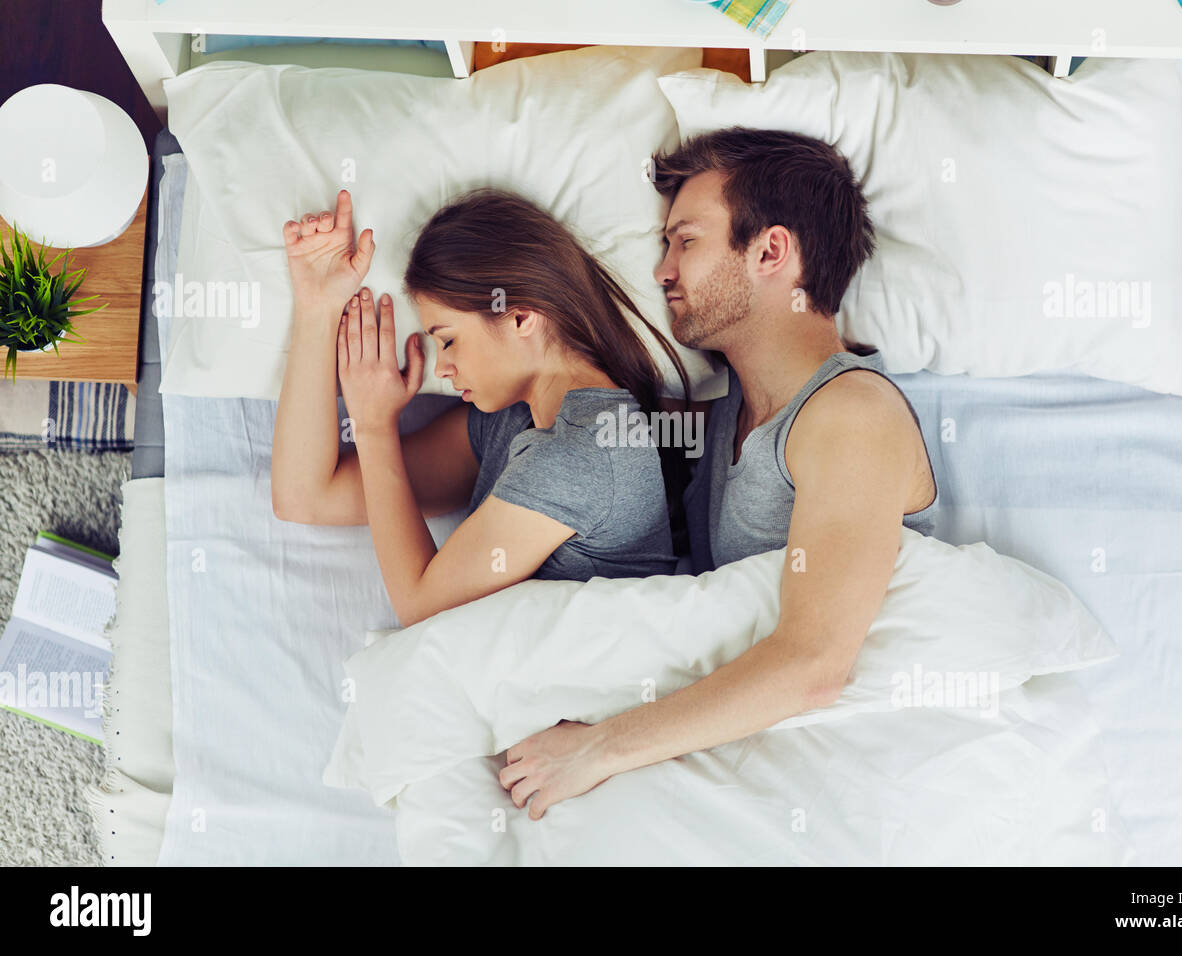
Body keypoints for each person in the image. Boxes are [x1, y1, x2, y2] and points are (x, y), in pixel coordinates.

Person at [497, 127, 940, 821]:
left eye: (686, 241)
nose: (662, 271)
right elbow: (607, 430)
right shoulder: (735, 409)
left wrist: (596, 750)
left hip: (839, 765)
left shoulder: (852, 416)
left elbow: (815, 663)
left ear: (771, 251)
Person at [270, 187, 691, 627]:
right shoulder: (512, 423)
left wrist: (374, 426)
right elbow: (305, 496)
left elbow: (420, 608)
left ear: (520, 318)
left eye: (448, 339)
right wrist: (318, 308)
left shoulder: (584, 452)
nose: (443, 368)